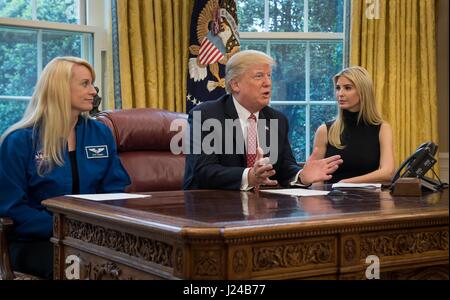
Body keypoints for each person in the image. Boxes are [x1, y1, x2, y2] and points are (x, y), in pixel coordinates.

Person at [0, 56, 131, 279]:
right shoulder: (20, 140)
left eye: (93, 84)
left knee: (138, 266)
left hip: (93, 239)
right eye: (85, 84)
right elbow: (11, 208)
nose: (93, 91)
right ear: (59, 88)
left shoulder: (100, 133)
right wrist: (67, 228)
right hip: (35, 242)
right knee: (85, 271)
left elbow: (115, 190)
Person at [184, 50, 343, 190]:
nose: (267, 82)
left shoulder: (277, 119)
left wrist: (301, 176)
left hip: (260, 208)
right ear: (235, 85)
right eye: (259, 76)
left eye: (269, 76)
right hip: (210, 208)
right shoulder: (205, 115)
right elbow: (204, 170)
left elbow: (284, 167)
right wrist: (250, 176)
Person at [313, 66, 395, 184]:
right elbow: (316, 179)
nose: (340, 94)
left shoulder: (382, 128)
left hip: (369, 200)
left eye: (347, 88)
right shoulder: (324, 131)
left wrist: (345, 183)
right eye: (338, 88)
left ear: (363, 92)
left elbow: (388, 172)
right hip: (330, 200)